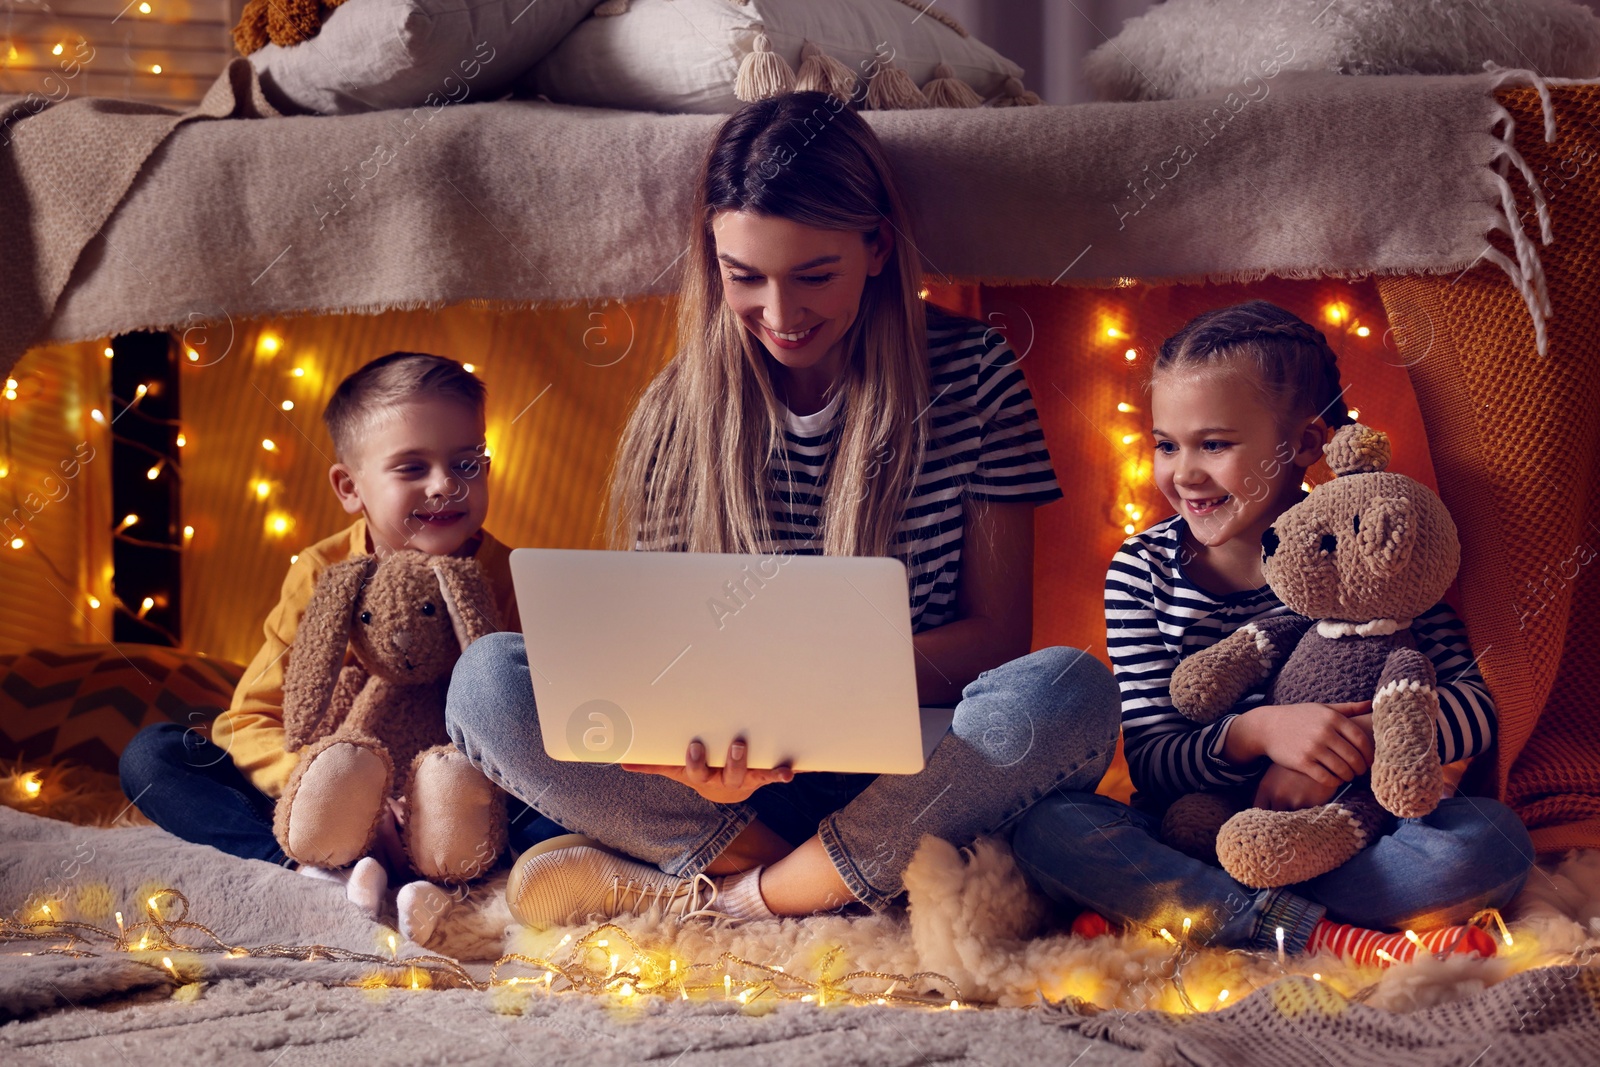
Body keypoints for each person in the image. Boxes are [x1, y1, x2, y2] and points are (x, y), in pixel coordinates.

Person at [446, 91, 1121, 927]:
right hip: (735, 786)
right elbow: (663, 653)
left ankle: (721, 896)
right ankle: (810, 884)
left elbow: (996, 640)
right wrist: (690, 739)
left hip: (911, 766)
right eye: (745, 278)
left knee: (1068, 690)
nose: (780, 314)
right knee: (486, 684)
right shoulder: (677, 406)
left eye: (814, 275)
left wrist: (807, 691)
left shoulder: (974, 374)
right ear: (713, 261)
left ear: (876, 247)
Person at [1010, 301, 1534, 967]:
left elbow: (1476, 704)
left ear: (1307, 445)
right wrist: (1261, 733)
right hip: (1200, 832)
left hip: (1350, 831)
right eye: (1166, 444)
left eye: (1215, 444)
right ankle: (1320, 932)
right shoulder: (1140, 572)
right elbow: (1153, 758)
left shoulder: (1375, 546)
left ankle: (1204, 912)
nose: (1184, 473)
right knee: (1051, 831)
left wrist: (1363, 741)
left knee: (1491, 842)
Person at [118, 353, 561, 928]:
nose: (447, 485)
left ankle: (455, 877)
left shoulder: (505, 573)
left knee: (568, 811)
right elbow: (247, 720)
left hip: (458, 807)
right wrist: (328, 794)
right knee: (154, 756)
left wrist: (452, 799)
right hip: (333, 798)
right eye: (411, 468)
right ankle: (317, 874)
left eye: (468, 462)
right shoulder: (320, 571)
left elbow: (535, 729)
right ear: (350, 488)